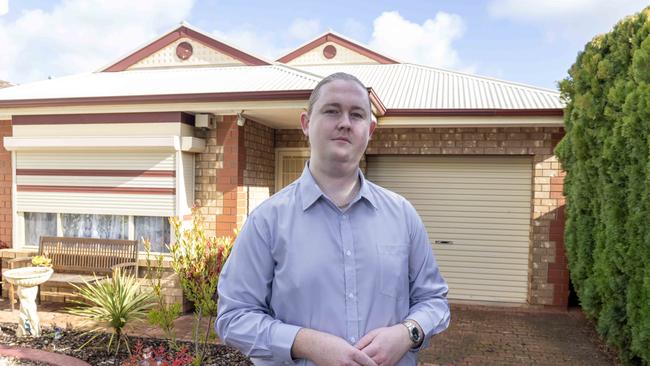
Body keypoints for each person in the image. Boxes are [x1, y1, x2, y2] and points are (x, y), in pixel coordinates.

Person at [216, 72, 450, 366]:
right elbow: (234, 318)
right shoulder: (267, 221)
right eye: (331, 111)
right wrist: (304, 342)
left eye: (357, 114)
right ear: (305, 123)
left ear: (370, 129)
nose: (345, 123)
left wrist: (407, 333)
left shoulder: (402, 215)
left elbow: (434, 301)